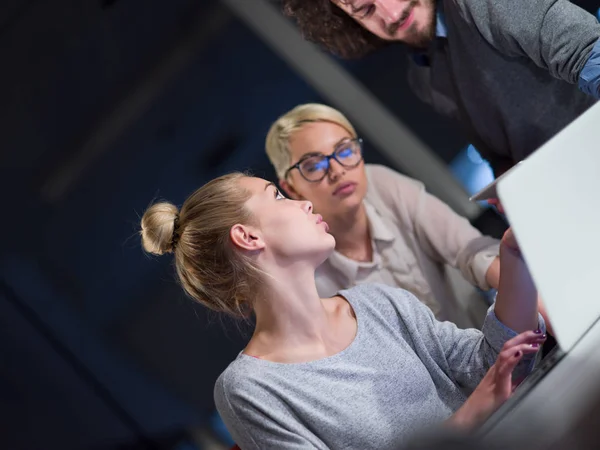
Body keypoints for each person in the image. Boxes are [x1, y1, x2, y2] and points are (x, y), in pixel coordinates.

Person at [139, 172, 546, 449]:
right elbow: (488, 393)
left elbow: (495, 368)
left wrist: (514, 259)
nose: (302, 204)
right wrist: (468, 417)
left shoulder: (377, 303)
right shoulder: (249, 389)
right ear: (247, 236)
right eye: (277, 197)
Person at [280, 0, 600, 176]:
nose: (392, 13)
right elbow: (501, 154)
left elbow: (590, 53)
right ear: (351, 24)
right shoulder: (421, 77)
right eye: (365, 9)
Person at [265, 103, 500, 322]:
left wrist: (529, 294)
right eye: (314, 166)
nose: (337, 171)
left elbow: (470, 250)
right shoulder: (305, 271)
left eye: (345, 151)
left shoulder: (380, 182)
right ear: (290, 187)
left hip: (481, 338)